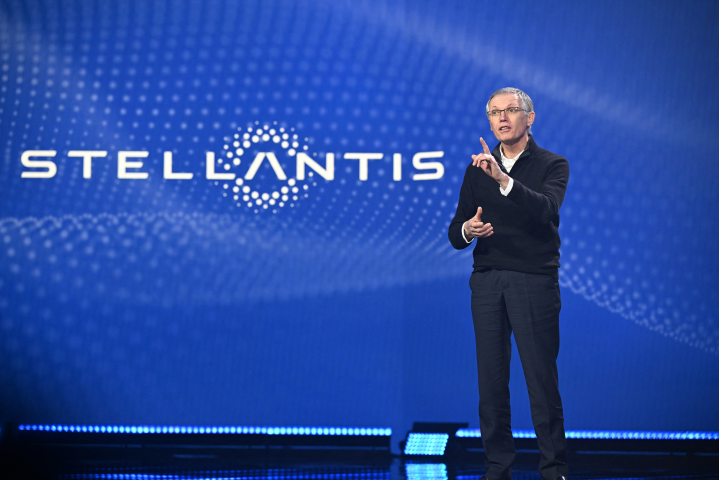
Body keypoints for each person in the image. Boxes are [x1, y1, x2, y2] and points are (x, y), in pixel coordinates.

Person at [448, 87, 570, 480]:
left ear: (530, 118)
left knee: (540, 381)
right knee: (492, 383)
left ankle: (553, 471)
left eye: (511, 110)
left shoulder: (553, 164)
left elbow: (546, 210)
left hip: (533, 281)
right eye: (494, 113)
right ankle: (497, 469)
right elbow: (454, 231)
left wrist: (504, 180)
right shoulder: (475, 169)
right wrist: (468, 228)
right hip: (486, 282)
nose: (502, 118)